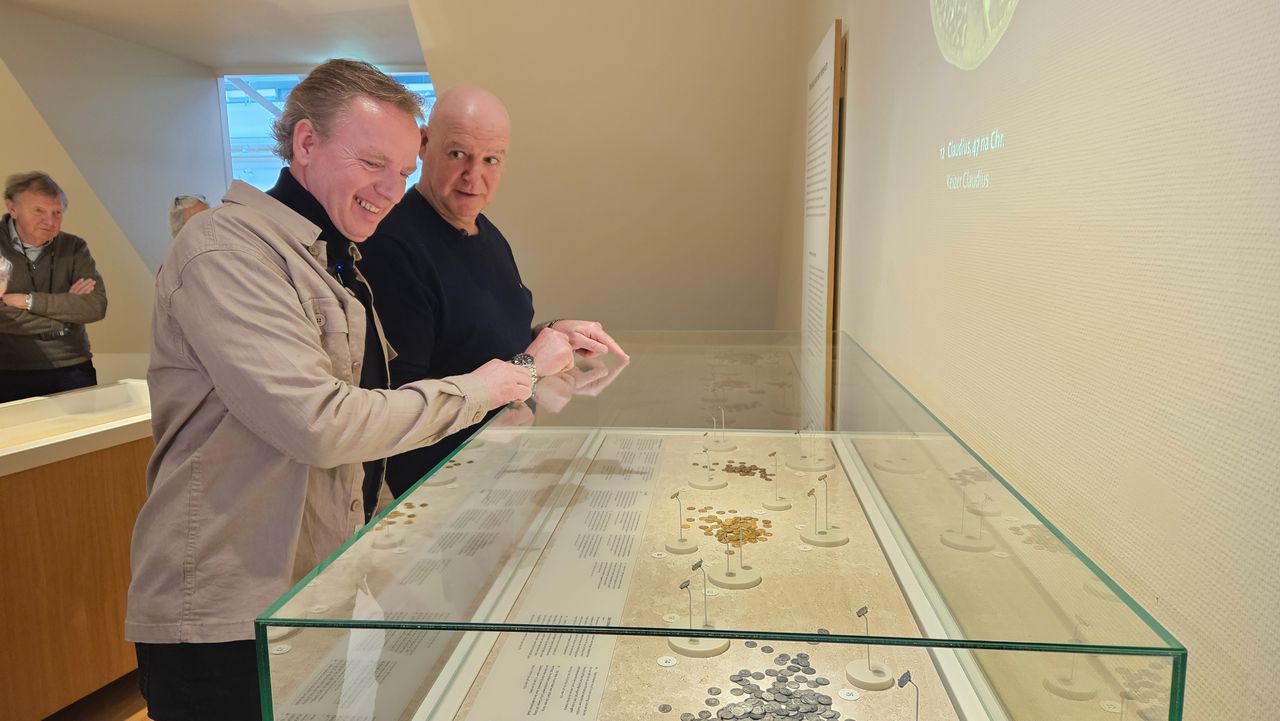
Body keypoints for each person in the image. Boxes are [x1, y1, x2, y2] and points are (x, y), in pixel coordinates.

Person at [125, 59, 573, 721]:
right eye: (371, 163)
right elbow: (321, 423)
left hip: (312, 593)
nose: (391, 190)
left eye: (400, 169)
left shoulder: (333, 257)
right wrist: (482, 388)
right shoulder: (226, 251)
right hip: (224, 615)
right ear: (306, 144)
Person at [360, 86, 629, 497]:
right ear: (424, 144)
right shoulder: (393, 244)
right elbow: (401, 404)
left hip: (499, 465)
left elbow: (476, 338)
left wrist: (551, 333)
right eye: (457, 155)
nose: (474, 177)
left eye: (490, 160)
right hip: (439, 488)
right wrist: (531, 364)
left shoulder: (486, 233)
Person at [0, 171, 107, 403]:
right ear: (12, 208)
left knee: (83, 437)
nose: (50, 221)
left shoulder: (75, 247)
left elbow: (95, 307)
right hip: (9, 369)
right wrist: (65, 316)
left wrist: (27, 301)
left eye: (57, 212)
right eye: (39, 211)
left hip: (73, 366)